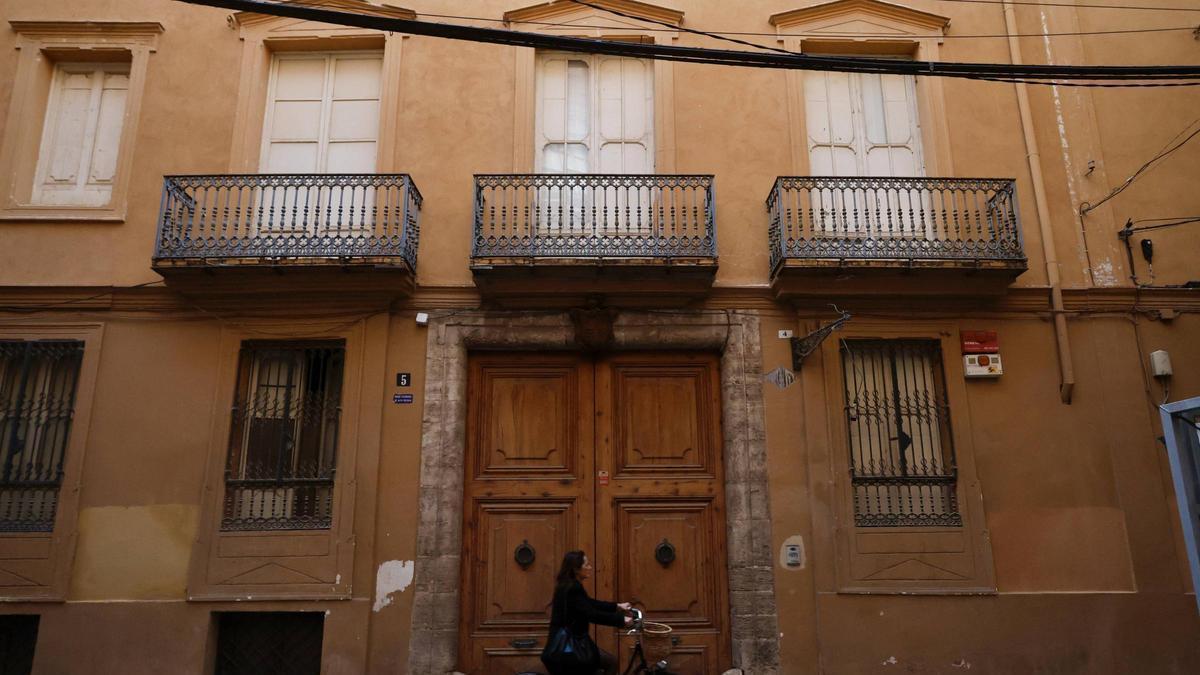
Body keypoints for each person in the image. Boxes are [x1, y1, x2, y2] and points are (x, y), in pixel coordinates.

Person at [542, 550, 632, 675]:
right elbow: (590, 614)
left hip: (565, 644)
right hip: (569, 646)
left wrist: (617, 606)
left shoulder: (567, 585)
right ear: (576, 569)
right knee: (611, 662)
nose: (590, 567)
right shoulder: (573, 588)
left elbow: (589, 603)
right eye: (587, 565)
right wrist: (621, 620)